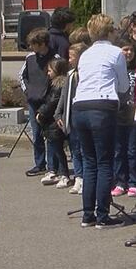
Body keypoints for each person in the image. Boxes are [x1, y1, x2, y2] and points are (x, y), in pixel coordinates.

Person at [71, 14, 129, 228]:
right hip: (102, 107)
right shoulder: (116, 53)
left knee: (89, 162)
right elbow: (123, 86)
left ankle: (88, 214)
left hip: (80, 107)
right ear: (110, 31)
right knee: (105, 162)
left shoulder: (85, 54)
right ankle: (103, 215)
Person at [19, 28, 59, 177]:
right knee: (36, 134)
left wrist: (51, 98)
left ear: (42, 43)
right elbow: (22, 76)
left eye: (34, 44)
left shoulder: (55, 57)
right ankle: (39, 163)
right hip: (33, 101)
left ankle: (52, 166)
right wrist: (27, 92)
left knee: (51, 134)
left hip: (49, 103)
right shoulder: (30, 58)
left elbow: (58, 79)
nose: (31, 47)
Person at [111, 33, 136, 197]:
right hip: (117, 117)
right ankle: (120, 181)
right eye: (125, 50)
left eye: (131, 50)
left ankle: (134, 182)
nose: (129, 53)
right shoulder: (115, 69)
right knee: (118, 151)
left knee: (133, 151)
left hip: (133, 118)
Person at [57, 43, 89, 195]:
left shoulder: (87, 74)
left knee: (85, 150)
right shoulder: (70, 75)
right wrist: (58, 113)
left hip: (84, 117)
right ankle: (79, 178)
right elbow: (64, 96)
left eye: (71, 57)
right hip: (72, 118)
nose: (69, 60)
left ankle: (86, 179)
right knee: (75, 150)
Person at [36, 58, 73, 189]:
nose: (48, 73)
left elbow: (52, 102)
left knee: (58, 149)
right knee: (54, 147)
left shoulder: (59, 85)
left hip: (55, 122)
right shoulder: (53, 84)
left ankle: (64, 174)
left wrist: (41, 112)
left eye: (50, 70)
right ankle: (54, 171)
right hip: (51, 123)